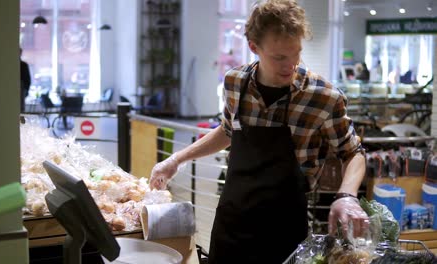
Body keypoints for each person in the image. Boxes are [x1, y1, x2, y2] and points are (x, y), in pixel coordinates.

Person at [150, 0, 369, 262]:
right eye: (279, 57)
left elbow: (353, 153)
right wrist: (177, 159)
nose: (291, 65)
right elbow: (227, 131)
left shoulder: (323, 97)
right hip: (232, 221)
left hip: (285, 229)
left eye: (296, 53)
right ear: (254, 47)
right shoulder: (235, 82)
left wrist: (347, 196)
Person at [20, 48, 31, 112]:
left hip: (22, 88)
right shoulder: (24, 65)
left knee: (21, 108)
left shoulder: (24, 65)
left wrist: (26, 90)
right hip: (22, 88)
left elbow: (27, 79)